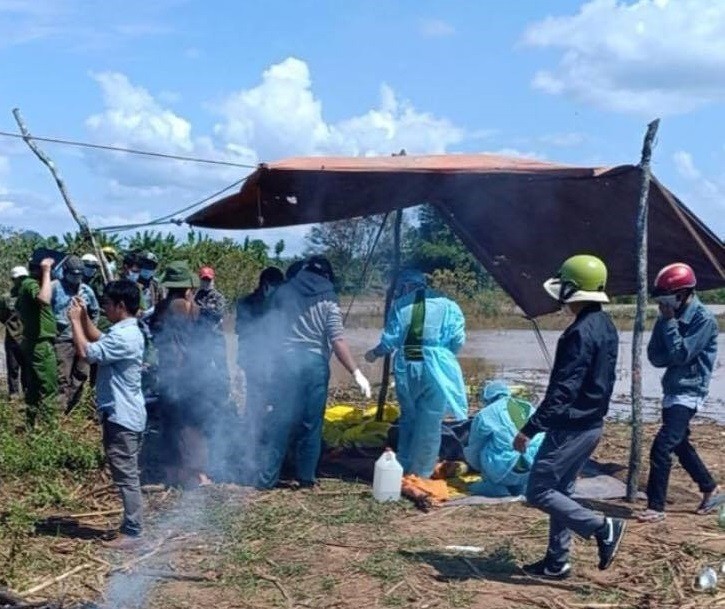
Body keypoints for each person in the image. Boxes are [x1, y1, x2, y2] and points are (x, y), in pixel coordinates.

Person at [513, 254, 625, 579]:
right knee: (560, 491)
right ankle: (556, 562)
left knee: (539, 491)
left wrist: (529, 429)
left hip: (571, 428)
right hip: (592, 425)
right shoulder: (605, 325)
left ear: (572, 290)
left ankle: (603, 528)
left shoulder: (578, 333)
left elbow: (562, 392)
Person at [258, 256, 371, 489]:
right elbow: (337, 340)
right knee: (311, 424)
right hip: (313, 365)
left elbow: (270, 330)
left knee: (280, 421)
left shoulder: (284, 291)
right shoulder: (329, 298)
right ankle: (306, 478)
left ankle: (266, 479)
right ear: (327, 276)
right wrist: (356, 372)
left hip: (286, 363)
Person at [638, 263, 724, 522]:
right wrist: (667, 325)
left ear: (683, 293)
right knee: (680, 444)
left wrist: (669, 324)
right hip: (672, 389)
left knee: (661, 447)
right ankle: (710, 488)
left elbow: (681, 354)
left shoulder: (703, 320)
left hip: (689, 391)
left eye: (668, 297)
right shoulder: (667, 315)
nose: (663, 303)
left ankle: (656, 507)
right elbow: (655, 355)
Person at [365, 269, 468, 478]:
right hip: (437, 366)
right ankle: (421, 472)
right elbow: (458, 340)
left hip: (407, 365)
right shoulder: (449, 305)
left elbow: (389, 341)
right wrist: (442, 355)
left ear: (404, 286)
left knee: (409, 417)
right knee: (430, 421)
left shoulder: (401, 305)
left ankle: (403, 465)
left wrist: (374, 353)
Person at [68, 280, 146, 550]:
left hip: (122, 416)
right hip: (126, 413)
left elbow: (87, 353)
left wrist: (76, 321)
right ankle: (131, 526)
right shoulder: (125, 331)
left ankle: (134, 531)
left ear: (120, 306)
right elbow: (99, 339)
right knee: (126, 472)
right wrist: (85, 317)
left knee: (126, 475)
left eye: (108, 306)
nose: (106, 309)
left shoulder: (125, 336)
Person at [151, 260, 211, 487]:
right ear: (188, 287)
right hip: (191, 373)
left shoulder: (161, 308)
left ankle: (171, 473)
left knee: (170, 423)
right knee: (192, 424)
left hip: (168, 373)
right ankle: (196, 474)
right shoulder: (194, 310)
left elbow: (155, 336)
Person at [234, 266, 284, 481]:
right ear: (266, 284)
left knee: (263, 407)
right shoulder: (248, 303)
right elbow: (241, 329)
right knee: (257, 407)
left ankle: (257, 452)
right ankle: (251, 457)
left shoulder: (274, 303)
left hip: (268, 362)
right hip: (257, 362)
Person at [464, 380, 544, 497]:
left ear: (487, 397)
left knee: (483, 447)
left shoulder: (486, 413)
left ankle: (495, 487)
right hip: (534, 467)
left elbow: (475, 446)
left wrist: (475, 466)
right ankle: (521, 486)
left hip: (503, 470)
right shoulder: (528, 406)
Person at [51, 255, 100, 411]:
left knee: (81, 374)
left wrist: (89, 331)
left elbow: (95, 311)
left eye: (79, 275)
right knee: (62, 376)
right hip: (62, 339)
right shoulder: (54, 287)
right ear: (65, 272)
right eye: (73, 275)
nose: (76, 278)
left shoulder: (86, 290)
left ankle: (71, 407)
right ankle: (59, 411)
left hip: (83, 339)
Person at [16, 254, 59, 427]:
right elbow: (44, 299)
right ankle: (49, 430)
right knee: (48, 386)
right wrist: (47, 271)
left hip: (37, 342)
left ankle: (31, 424)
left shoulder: (28, 285)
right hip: (40, 344)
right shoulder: (31, 284)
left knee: (33, 387)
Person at [194, 266, 230, 399]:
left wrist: (201, 310)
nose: (206, 282)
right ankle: (203, 393)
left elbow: (217, 313)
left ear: (213, 280)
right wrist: (204, 310)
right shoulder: (196, 296)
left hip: (216, 338)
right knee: (201, 366)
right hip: (200, 338)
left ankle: (225, 393)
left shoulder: (218, 296)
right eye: (204, 280)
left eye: (208, 280)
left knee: (221, 365)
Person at [0, 266, 29, 397]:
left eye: (24, 278)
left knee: (27, 369)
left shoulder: (30, 296)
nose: (22, 281)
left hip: (27, 338)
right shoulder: (6, 298)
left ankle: (28, 395)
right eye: (19, 279)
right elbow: (2, 316)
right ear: (13, 280)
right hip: (12, 338)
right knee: (12, 368)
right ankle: (14, 395)